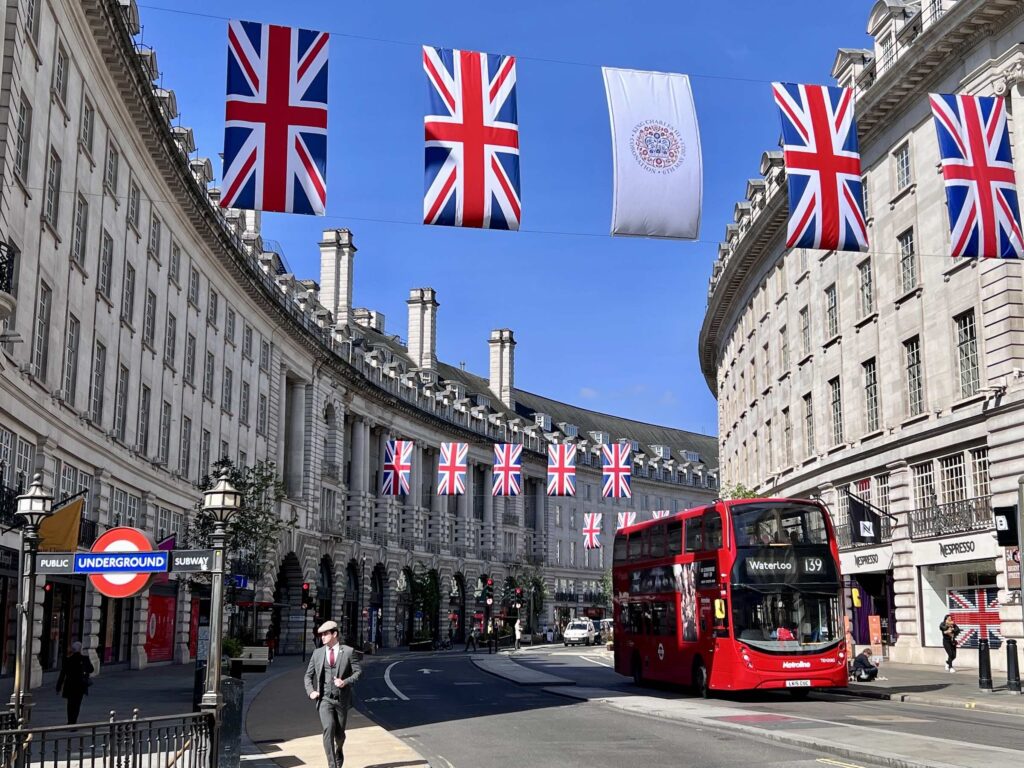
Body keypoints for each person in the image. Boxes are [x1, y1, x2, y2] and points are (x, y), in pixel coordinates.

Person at [303, 620, 362, 768]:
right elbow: (308, 676)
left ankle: (339, 750)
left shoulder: (348, 651)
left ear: (334, 634)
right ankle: (332, 765)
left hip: (341, 700)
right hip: (324, 699)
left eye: (325, 634)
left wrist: (345, 681)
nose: (322, 637)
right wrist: (311, 691)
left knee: (339, 735)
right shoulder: (317, 653)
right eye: (321, 635)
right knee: (328, 728)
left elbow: (358, 672)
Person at [56, 641, 94, 724]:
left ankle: (70, 721)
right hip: (80, 686)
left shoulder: (68, 660)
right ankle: (73, 721)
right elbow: (91, 669)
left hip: (70, 685)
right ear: (80, 649)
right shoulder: (84, 659)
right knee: (77, 704)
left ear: (73, 650)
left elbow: (62, 674)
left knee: (70, 705)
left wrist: (58, 687)